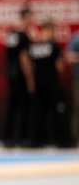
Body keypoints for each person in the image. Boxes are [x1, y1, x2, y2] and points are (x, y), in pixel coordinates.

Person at [28, 20, 68, 148]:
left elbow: (31, 65)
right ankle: (59, 140)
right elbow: (59, 67)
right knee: (58, 111)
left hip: (39, 84)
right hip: (52, 83)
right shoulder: (54, 46)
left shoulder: (34, 47)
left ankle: (38, 140)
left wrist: (32, 80)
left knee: (39, 113)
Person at [2, 7, 35, 147]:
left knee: (12, 107)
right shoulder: (23, 36)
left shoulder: (11, 35)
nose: (33, 20)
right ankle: (23, 138)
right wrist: (30, 79)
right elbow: (23, 58)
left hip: (12, 75)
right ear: (25, 17)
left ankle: (7, 138)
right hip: (21, 76)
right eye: (31, 17)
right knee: (24, 107)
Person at [67, 28, 79, 147]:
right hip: (78, 79)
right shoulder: (76, 38)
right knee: (77, 107)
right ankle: (76, 138)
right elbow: (69, 57)